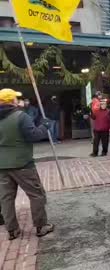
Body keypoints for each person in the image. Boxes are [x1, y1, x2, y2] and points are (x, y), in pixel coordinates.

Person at [0, 88, 54, 240]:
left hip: (2, 165)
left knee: (6, 198)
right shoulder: (21, 117)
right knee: (36, 195)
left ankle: (12, 230)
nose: (18, 100)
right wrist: (45, 126)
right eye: (16, 98)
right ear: (12, 101)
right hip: (23, 163)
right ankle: (41, 225)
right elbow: (34, 136)